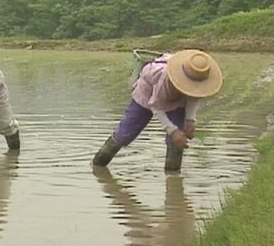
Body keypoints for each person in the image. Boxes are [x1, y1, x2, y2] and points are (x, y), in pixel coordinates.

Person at [92, 49, 223, 171]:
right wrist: (172, 131)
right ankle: (98, 164)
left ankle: (172, 177)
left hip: (177, 101)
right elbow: (156, 106)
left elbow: (194, 98)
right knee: (126, 133)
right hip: (147, 96)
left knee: (176, 142)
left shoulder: (199, 76)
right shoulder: (165, 78)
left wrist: (190, 120)